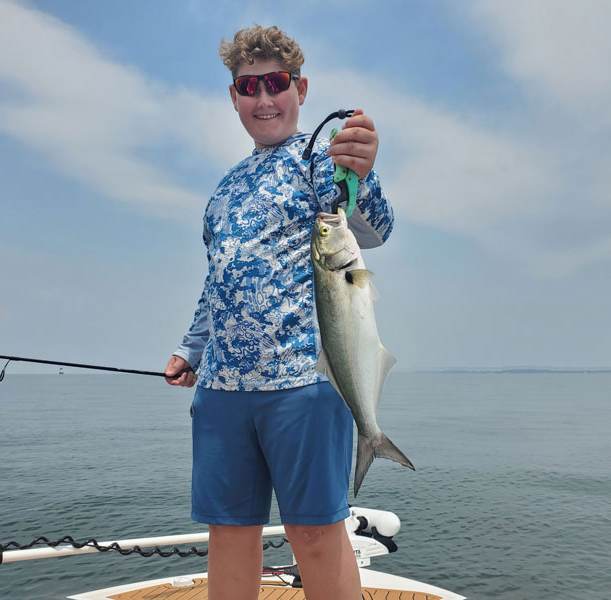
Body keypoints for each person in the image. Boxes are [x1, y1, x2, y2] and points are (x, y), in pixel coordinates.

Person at [164, 25, 393, 600]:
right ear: (234, 96)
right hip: (220, 388)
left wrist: (359, 171)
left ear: (301, 88)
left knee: (315, 535)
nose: (263, 99)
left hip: (304, 383)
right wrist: (189, 350)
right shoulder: (224, 190)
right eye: (249, 87)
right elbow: (216, 280)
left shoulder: (318, 164)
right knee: (228, 535)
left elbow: (374, 228)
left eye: (276, 83)